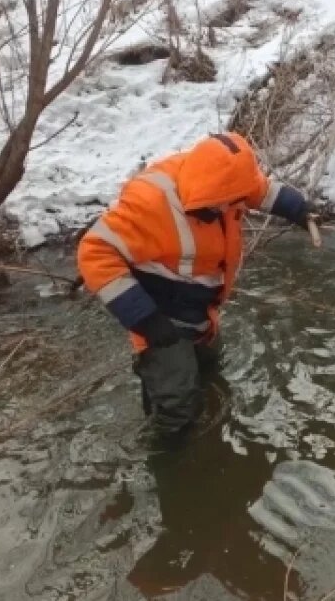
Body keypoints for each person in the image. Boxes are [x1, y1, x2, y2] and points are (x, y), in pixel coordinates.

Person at [77, 132, 316, 435]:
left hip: (203, 312)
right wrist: (146, 320)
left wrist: (299, 210)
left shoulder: (229, 181)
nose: (231, 208)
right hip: (159, 318)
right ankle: (167, 459)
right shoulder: (149, 203)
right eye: (223, 204)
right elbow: (94, 250)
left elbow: (260, 189)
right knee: (177, 406)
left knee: (209, 369)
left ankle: (207, 432)